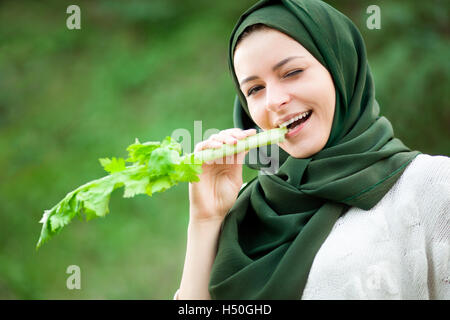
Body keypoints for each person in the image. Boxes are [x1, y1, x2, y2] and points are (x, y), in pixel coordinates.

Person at [175, 0, 450, 300]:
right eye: (255, 89)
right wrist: (206, 219)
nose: (272, 101)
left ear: (340, 67)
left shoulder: (430, 186)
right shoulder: (246, 215)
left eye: (291, 72)